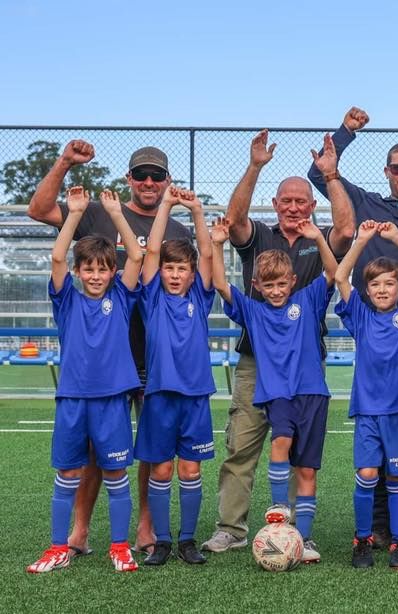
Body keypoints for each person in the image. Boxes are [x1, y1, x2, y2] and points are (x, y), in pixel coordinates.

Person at [27, 143, 191, 558]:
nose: (149, 183)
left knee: (150, 447)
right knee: (91, 451)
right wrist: (64, 164)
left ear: (166, 180)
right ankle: (79, 529)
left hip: (155, 358)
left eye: (157, 176)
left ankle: (145, 527)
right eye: (142, 175)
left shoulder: (177, 228)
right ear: (129, 179)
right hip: (98, 365)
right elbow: (40, 209)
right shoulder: (99, 213)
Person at [202, 131, 353, 559]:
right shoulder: (259, 238)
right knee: (242, 447)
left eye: (300, 201)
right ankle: (231, 528)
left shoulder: (316, 238)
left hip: (305, 369)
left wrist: (332, 175)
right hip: (256, 365)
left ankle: (290, 533)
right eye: (285, 200)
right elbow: (233, 219)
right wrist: (255, 165)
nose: (292, 207)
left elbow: (346, 229)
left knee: (298, 454)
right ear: (275, 204)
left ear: (311, 206)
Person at [211, 212, 338, 564]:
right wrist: (217, 244)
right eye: (269, 285)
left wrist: (318, 239)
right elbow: (221, 283)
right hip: (276, 393)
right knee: (280, 440)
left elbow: (332, 273)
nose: (277, 291)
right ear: (257, 287)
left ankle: (304, 537)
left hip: (312, 393)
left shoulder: (308, 301)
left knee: (308, 469)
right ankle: (279, 506)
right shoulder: (252, 311)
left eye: (282, 284)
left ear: (293, 281)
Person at [28, 187, 143, 573]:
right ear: (79, 272)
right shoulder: (67, 300)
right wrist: (74, 212)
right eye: (89, 269)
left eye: (103, 269)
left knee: (114, 473)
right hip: (73, 399)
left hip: (112, 400)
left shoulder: (123, 299)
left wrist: (115, 214)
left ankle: (120, 546)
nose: (96, 275)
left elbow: (138, 255)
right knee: (69, 472)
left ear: (113, 271)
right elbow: (58, 255)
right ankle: (59, 546)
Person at [335, 220, 398, 569]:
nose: (381, 289)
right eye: (374, 284)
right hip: (369, 412)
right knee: (368, 475)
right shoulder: (360, 315)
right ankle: (362, 540)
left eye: (389, 283)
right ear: (367, 289)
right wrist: (361, 241)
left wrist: (395, 237)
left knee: (396, 478)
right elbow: (340, 278)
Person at [135, 186, 215, 566]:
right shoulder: (151, 298)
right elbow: (151, 251)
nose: (175, 274)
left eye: (182, 268)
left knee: (190, 468)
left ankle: (187, 540)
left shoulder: (199, 298)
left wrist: (197, 211)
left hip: (195, 395)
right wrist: (166, 203)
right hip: (160, 396)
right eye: (170, 268)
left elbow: (208, 253)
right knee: (162, 468)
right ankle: (162, 541)